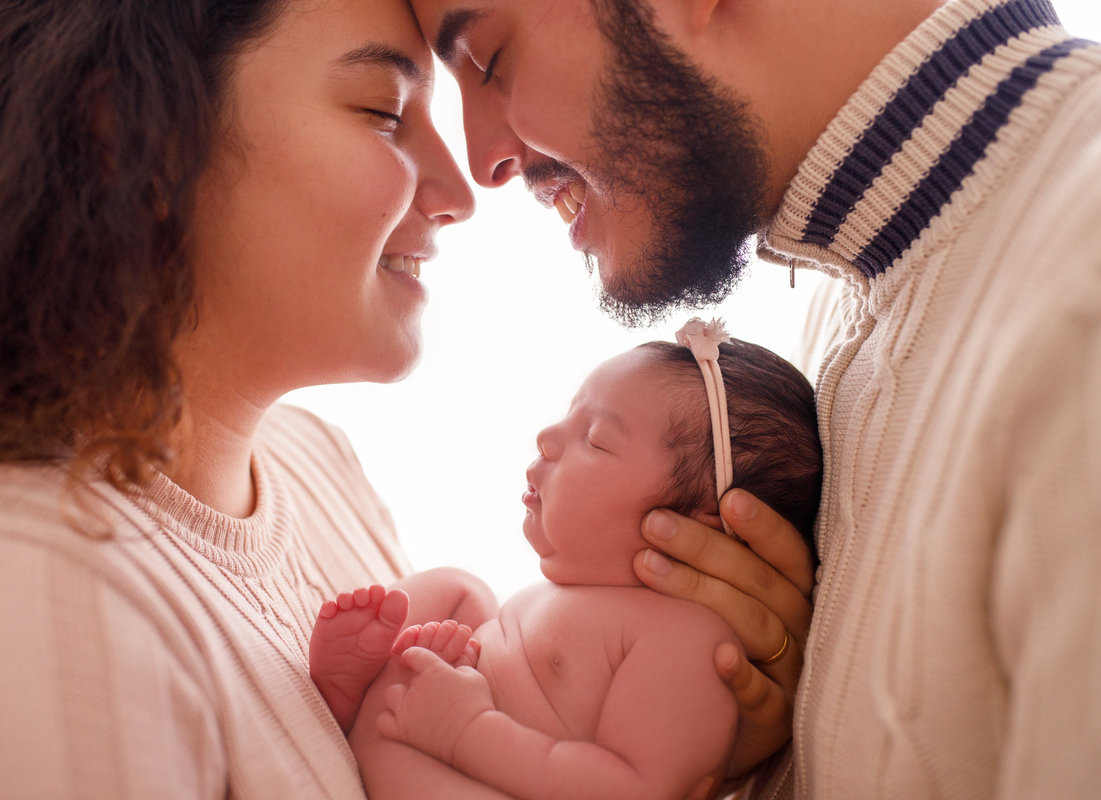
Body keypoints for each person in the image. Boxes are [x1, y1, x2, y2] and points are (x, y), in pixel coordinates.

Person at [406, 0, 1101, 796]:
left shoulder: (1081, 280)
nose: (483, 159)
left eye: (491, 60)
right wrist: (747, 745)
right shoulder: (848, 313)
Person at [0, 0, 478, 796]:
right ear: (133, 143)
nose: (459, 191)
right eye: (383, 112)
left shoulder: (314, 463)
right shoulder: (9, 583)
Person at [312, 322, 823, 800]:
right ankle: (362, 676)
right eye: (568, 414)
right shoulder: (580, 594)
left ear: (697, 524)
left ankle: (366, 704)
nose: (547, 436)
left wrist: (468, 732)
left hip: (466, 766)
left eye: (596, 439)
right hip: (434, 708)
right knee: (460, 588)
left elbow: (632, 787)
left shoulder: (691, 642)